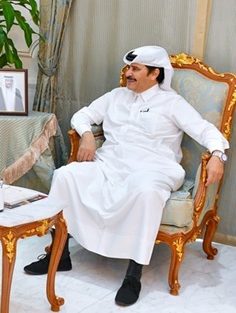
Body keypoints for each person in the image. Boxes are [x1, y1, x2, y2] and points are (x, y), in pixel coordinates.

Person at [23, 46, 228, 306]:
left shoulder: (172, 103)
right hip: (110, 164)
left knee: (146, 192)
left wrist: (218, 155)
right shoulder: (115, 96)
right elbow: (82, 115)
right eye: (129, 68)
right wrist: (87, 134)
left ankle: (133, 274)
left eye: (135, 69)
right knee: (66, 175)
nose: (128, 73)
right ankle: (60, 255)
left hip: (154, 169)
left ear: (154, 74)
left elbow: (205, 130)